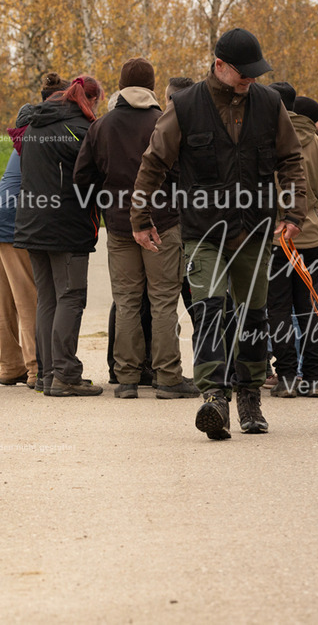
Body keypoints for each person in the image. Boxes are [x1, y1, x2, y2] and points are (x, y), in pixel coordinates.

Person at [131, 27, 307, 439]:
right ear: (219, 66)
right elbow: (153, 163)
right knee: (209, 310)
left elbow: (292, 160)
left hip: (256, 231)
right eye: (242, 72)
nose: (249, 79)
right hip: (204, 234)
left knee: (251, 316)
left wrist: (293, 211)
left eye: (254, 72)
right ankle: (213, 397)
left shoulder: (270, 103)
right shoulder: (186, 105)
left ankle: (249, 397)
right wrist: (140, 218)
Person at [74, 58, 199, 400]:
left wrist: (108, 199)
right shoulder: (164, 123)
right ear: (152, 86)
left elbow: (81, 177)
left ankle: (127, 378)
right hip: (163, 224)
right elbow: (185, 175)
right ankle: (168, 377)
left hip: (118, 228)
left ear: (121, 85)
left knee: (127, 301)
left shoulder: (102, 126)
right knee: (162, 302)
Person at [14, 75, 104, 397]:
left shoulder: (34, 125)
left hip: (31, 222)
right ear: (88, 101)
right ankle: (65, 374)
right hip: (67, 225)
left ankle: (47, 374)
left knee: (48, 298)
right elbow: (92, 178)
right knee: (71, 296)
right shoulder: (80, 129)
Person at [0, 73, 68, 389]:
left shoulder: (26, 132)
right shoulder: (46, 134)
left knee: (4, 297)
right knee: (29, 298)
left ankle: (10, 366)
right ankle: (35, 369)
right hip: (15, 221)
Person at [267, 94, 318, 398]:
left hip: (279, 235)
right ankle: (316, 376)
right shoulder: (315, 142)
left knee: (278, 307)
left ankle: (288, 375)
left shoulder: (267, 139)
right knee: (310, 306)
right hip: (312, 234)